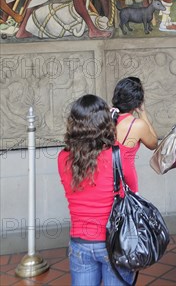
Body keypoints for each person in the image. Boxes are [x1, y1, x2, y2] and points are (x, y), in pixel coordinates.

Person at [58, 94, 136, 286]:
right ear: (105, 122)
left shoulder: (63, 158)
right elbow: (132, 191)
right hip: (113, 243)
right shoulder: (118, 155)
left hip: (80, 243)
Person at [110, 76, 158, 192]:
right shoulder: (137, 125)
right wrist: (142, 112)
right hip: (126, 178)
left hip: (103, 177)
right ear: (137, 101)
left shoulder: (104, 117)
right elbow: (153, 144)